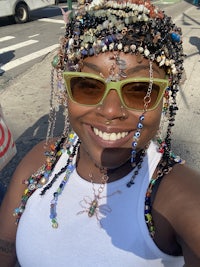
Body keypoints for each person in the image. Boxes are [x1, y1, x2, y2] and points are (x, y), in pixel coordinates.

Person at [0, 0, 200, 266]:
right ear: (65, 90)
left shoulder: (178, 196)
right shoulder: (41, 163)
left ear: (166, 98)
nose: (110, 111)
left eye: (140, 90)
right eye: (88, 86)